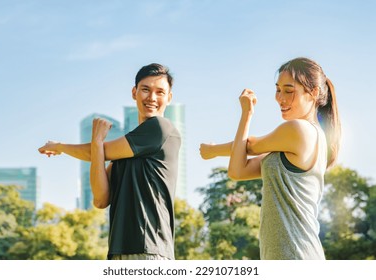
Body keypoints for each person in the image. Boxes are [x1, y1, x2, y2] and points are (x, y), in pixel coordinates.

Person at [200, 57, 341, 260]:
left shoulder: (299, 130)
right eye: (278, 89)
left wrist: (216, 146)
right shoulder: (289, 146)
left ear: (314, 93)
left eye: (289, 90)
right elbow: (238, 171)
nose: (280, 98)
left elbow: (251, 146)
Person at [39, 63, 181, 260]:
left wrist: (61, 146)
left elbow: (102, 152)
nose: (152, 98)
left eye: (160, 92)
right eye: (145, 90)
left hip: (149, 249)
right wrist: (97, 143)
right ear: (134, 92)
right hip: (119, 252)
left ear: (169, 98)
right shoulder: (125, 153)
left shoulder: (160, 127)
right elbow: (100, 199)